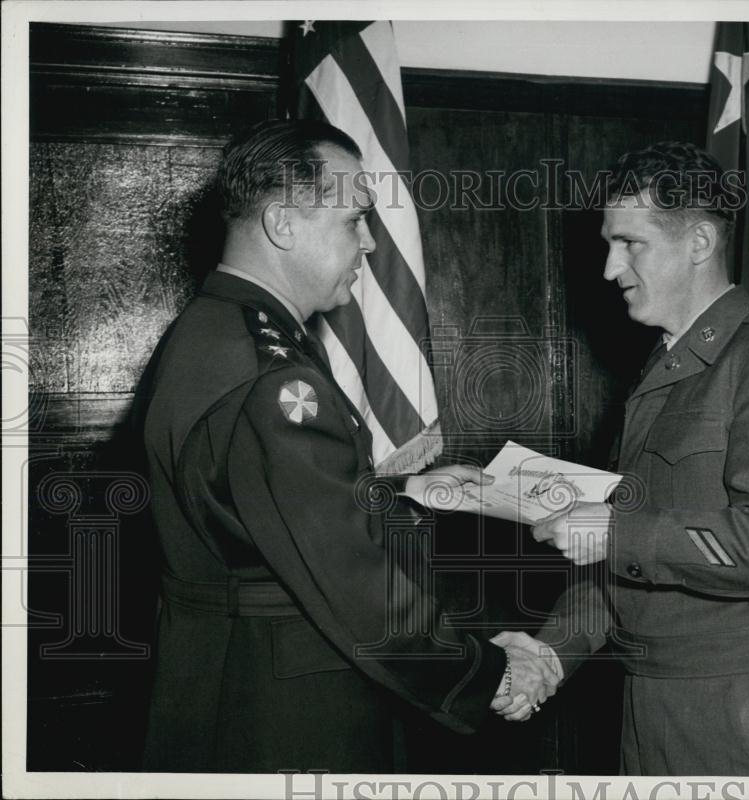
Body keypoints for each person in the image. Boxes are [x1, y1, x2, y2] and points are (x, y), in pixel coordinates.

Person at [140, 120, 557, 773]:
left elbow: (261, 515)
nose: (368, 243)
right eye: (354, 220)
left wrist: (407, 489)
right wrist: (487, 670)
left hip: (231, 677)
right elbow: (352, 582)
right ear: (284, 224)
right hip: (286, 709)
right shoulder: (271, 376)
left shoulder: (219, 328)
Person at [501, 141, 749, 776]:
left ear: (699, 243)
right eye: (609, 243)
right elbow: (626, 559)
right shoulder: (665, 369)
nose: (609, 269)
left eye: (630, 243)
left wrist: (616, 529)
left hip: (742, 717)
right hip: (647, 710)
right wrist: (551, 654)